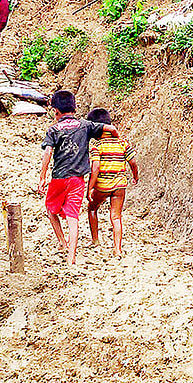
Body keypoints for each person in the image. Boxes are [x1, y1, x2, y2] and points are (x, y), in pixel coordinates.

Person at [37, 90, 117, 266]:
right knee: (73, 217)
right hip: (78, 180)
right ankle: (71, 256)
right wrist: (116, 138)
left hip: (59, 178)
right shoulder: (85, 125)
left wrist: (42, 177)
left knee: (51, 210)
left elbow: (48, 152)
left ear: (56, 111)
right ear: (74, 107)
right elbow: (110, 128)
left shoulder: (53, 129)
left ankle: (62, 242)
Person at [86, 108, 138, 258]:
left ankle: (95, 240)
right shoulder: (122, 143)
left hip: (102, 185)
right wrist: (135, 176)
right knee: (116, 216)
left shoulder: (97, 146)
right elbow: (133, 162)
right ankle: (117, 249)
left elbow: (95, 168)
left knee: (92, 208)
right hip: (120, 186)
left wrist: (90, 187)